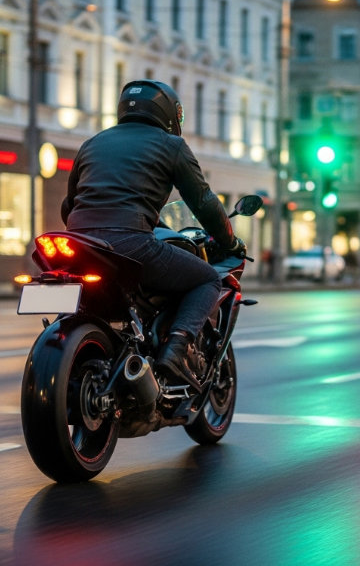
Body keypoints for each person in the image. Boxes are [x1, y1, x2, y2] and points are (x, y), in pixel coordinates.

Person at [60, 80, 245, 389]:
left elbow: (70, 204)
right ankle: (176, 350)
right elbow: (204, 202)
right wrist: (230, 242)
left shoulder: (93, 142)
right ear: (170, 114)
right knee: (207, 279)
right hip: (130, 242)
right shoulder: (171, 145)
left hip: (80, 242)